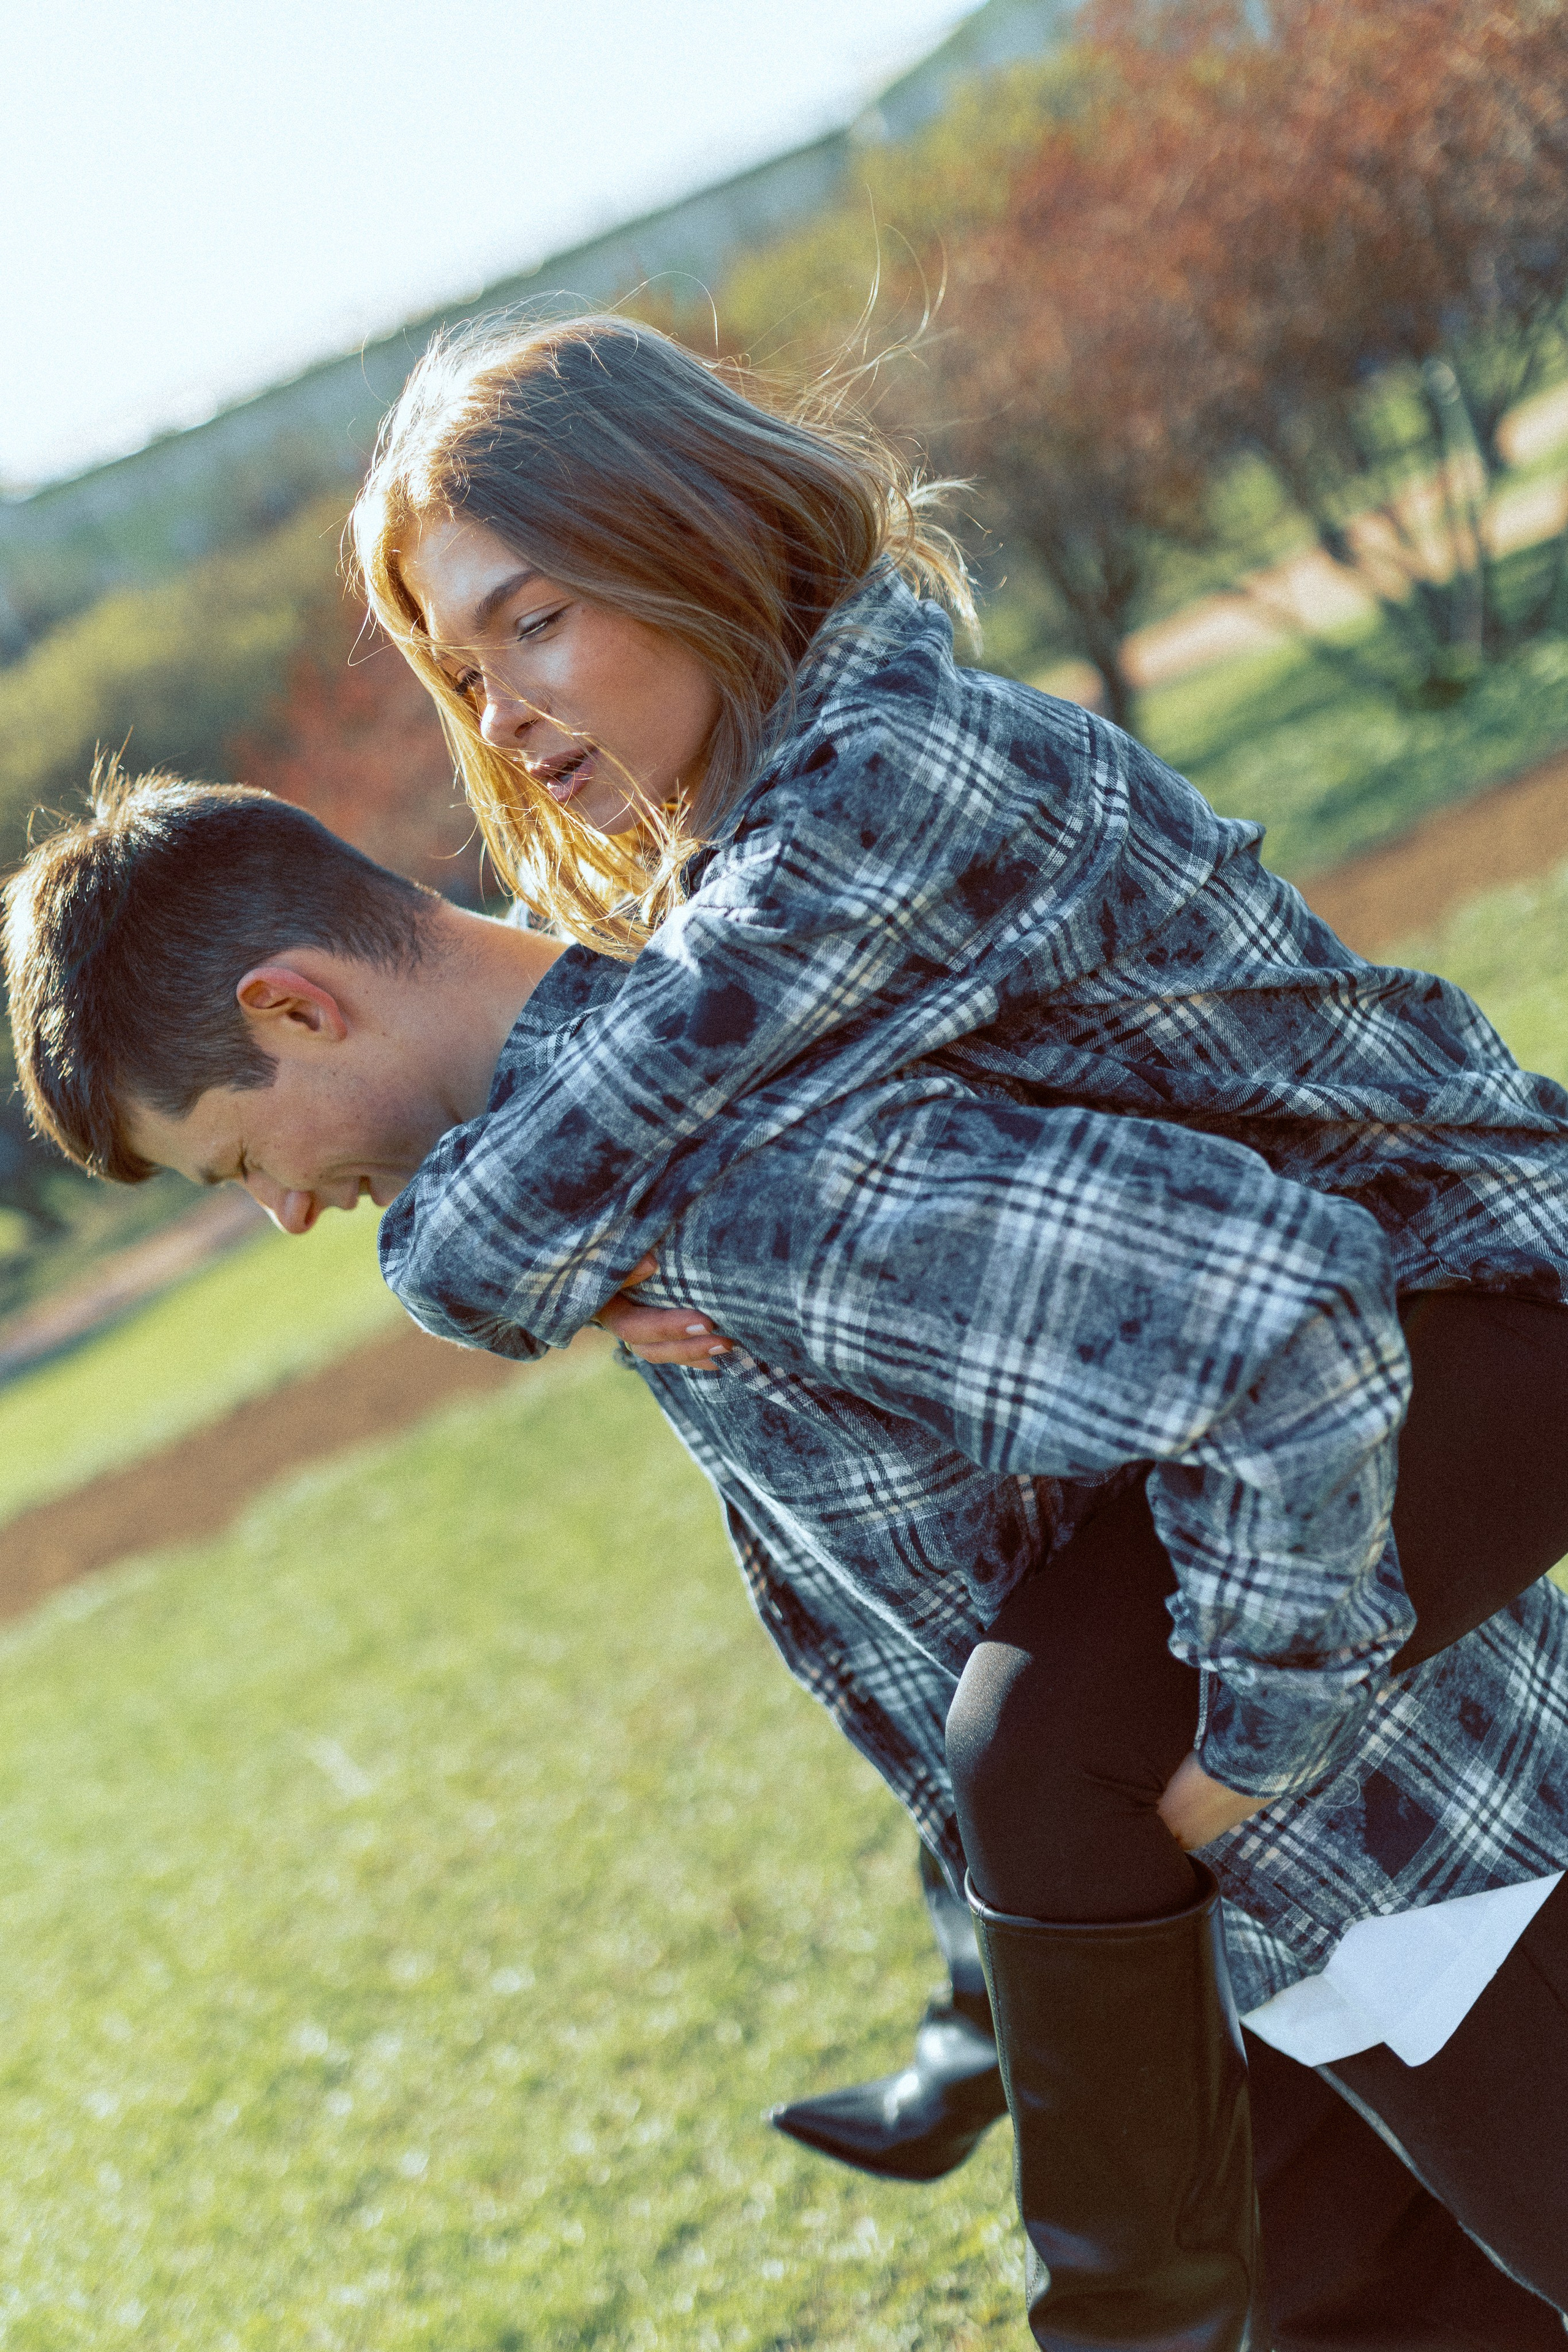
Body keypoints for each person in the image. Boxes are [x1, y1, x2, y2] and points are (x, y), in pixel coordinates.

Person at [8, 775, 1568, 2350]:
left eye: (236, 1160)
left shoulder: (710, 1174)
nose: (282, 1214)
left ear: (296, 1006)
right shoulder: (617, 1175)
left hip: (1413, 1874)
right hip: (1228, 1924)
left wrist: (1251, 1748)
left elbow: (1277, 1317)